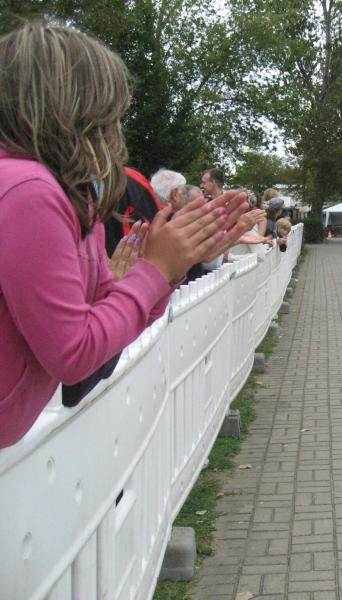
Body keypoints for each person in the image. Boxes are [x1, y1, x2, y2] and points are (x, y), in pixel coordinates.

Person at [0, 24, 248, 447]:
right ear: (74, 108)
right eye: (110, 114)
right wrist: (154, 271)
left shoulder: (72, 197)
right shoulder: (30, 192)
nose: (117, 129)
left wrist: (169, 267)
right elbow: (74, 355)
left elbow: (105, 332)